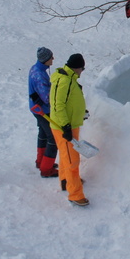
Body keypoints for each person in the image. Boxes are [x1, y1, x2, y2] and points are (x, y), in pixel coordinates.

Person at [50, 53, 89, 207]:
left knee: (66, 156)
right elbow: (57, 105)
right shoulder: (64, 80)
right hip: (64, 127)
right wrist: (65, 126)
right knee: (73, 160)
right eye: (82, 69)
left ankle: (66, 181)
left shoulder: (69, 78)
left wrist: (81, 113)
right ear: (77, 67)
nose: (82, 72)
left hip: (71, 125)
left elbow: (70, 102)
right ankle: (75, 194)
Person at [28, 46, 58, 178]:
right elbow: (47, 98)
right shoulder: (40, 75)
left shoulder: (36, 69)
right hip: (43, 110)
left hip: (36, 108)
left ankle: (41, 161)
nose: (53, 59)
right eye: (51, 57)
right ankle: (47, 168)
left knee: (43, 133)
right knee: (53, 137)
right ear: (46, 59)